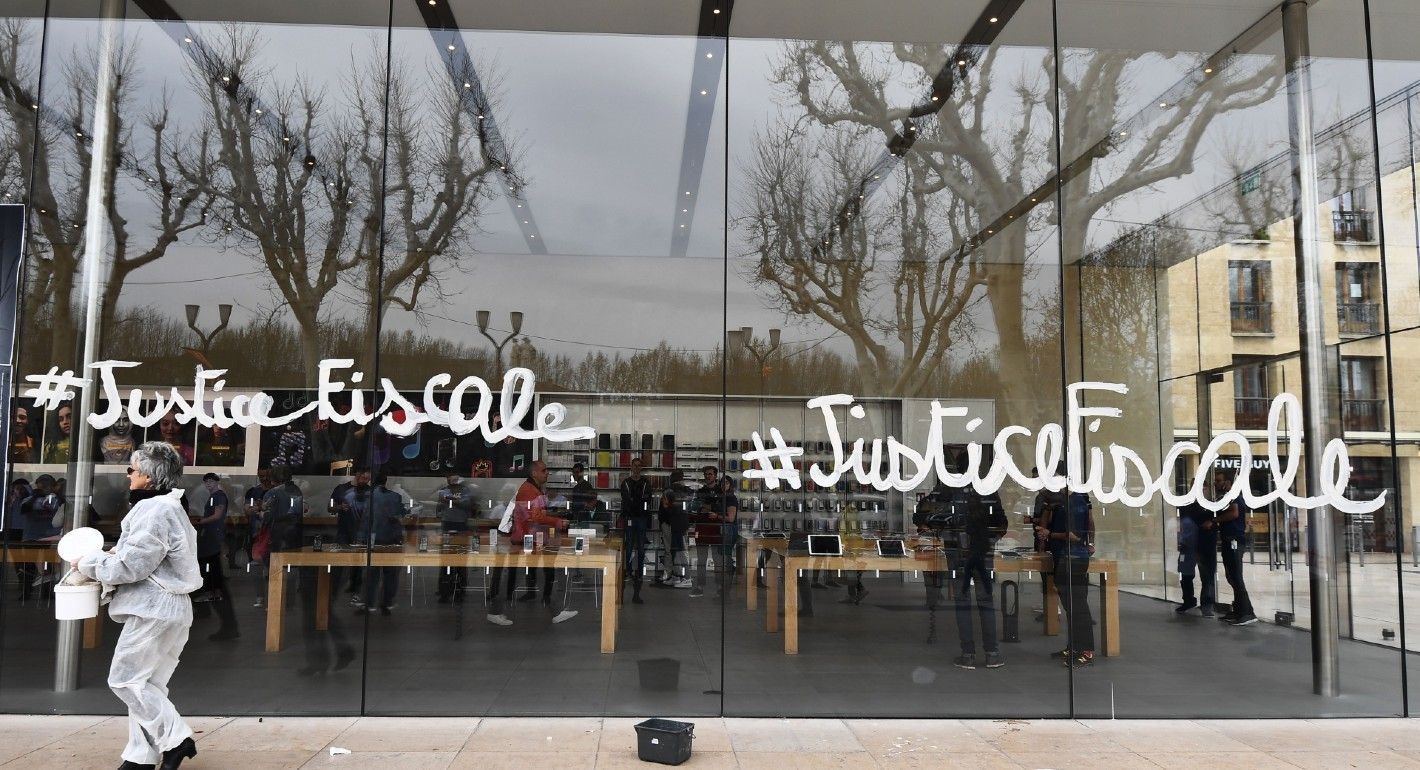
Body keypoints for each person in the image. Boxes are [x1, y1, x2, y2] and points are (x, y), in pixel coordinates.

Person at [71, 441, 201, 770]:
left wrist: (89, 562)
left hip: (153, 608)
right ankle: (140, 757)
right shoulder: (171, 508)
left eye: (133, 469)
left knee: (125, 681)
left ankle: (176, 739)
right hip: (172, 608)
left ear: (148, 475)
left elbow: (132, 565)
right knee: (147, 685)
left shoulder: (155, 509)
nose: (128, 474)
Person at [488, 460, 575, 625]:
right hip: (526, 542)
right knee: (518, 578)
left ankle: (556, 612)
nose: (547, 472)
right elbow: (534, 517)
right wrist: (558, 522)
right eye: (544, 470)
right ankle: (495, 612)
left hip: (530, 541)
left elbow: (536, 515)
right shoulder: (529, 491)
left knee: (535, 577)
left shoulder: (533, 489)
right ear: (534, 473)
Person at [938, 465, 1007, 670]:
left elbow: (932, 518)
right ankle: (992, 653)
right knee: (986, 601)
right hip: (984, 555)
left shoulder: (951, 492)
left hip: (957, 555)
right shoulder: (988, 491)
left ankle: (968, 653)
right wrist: (990, 539)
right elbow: (1001, 523)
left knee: (962, 603)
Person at [1035, 466, 1096, 668]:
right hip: (1065, 557)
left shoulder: (1075, 501)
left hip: (1074, 558)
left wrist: (1049, 535)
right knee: (1070, 606)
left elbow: (1075, 536)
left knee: (1078, 606)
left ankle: (1086, 650)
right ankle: (1074, 646)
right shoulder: (1061, 501)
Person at [193, 473, 238, 641]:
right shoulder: (216, 496)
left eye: (211, 481)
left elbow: (217, 516)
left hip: (211, 542)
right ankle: (225, 623)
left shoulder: (218, 496)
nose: (208, 485)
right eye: (206, 482)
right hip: (210, 542)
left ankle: (228, 625)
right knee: (211, 581)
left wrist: (200, 522)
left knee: (214, 583)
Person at [1213, 470, 1258, 626]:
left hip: (1234, 540)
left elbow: (1234, 513)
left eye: (1218, 481)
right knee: (1232, 576)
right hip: (1228, 540)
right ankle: (1239, 610)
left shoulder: (1233, 496)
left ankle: (1247, 612)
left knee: (1236, 577)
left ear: (1227, 482)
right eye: (1215, 481)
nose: (1216, 484)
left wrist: (1215, 521)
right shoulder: (1227, 497)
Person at [357, 472, 405, 616]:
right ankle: (387, 603)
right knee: (391, 574)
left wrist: (361, 537)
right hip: (393, 539)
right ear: (386, 482)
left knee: (372, 574)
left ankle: (370, 604)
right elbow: (400, 514)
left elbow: (366, 519)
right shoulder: (396, 497)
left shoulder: (370, 497)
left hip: (374, 539)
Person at [436, 473, 476, 604]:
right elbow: (441, 500)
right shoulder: (444, 490)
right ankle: (444, 591)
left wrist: (450, 500)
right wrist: (454, 500)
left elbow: (466, 503)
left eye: (455, 480)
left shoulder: (466, 491)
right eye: (450, 479)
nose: (453, 482)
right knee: (445, 561)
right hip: (447, 527)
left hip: (461, 527)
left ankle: (460, 590)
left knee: (461, 561)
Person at [1175, 497, 1217, 617]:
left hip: (1202, 547)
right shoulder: (1187, 507)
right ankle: (1189, 600)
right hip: (1188, 548)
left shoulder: (1210, 506)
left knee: (1206, 576)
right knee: (1186, 575)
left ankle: (1206, 605)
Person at [620, 457, 653, 603]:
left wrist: (637, 502)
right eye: (635, 465)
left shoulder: (645, 482)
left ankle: (639, 571)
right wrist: (637, 502)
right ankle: (627, 571)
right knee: (628, 545)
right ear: (631, 467)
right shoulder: (626, 482)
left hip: (641, 518)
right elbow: (626, 499)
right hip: (630, 518)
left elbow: (647, 499)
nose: (637, 468)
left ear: (641, 468)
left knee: (640, 547)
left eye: (639, 466)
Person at [655, 469, 692, 588]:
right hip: (676, 524)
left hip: (674, 524)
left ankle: (678, 576)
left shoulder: (671, 491)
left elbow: (666, 508)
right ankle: (675, 576)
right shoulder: (684, 491)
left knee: (676, 551)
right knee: (677, 551)